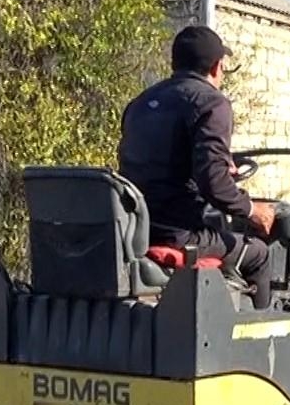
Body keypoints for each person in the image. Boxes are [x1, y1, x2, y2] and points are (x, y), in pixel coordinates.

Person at [118, 24, 278, 307]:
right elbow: (213, 182)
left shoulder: (140, 103)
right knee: (260, 255)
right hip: (180, 235)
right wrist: (254, 211)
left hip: (135, 231)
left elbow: (162, 161)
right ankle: (262, 345)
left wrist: (216, 169)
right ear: (217, 67)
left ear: (175, 62)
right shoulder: (212, 103)